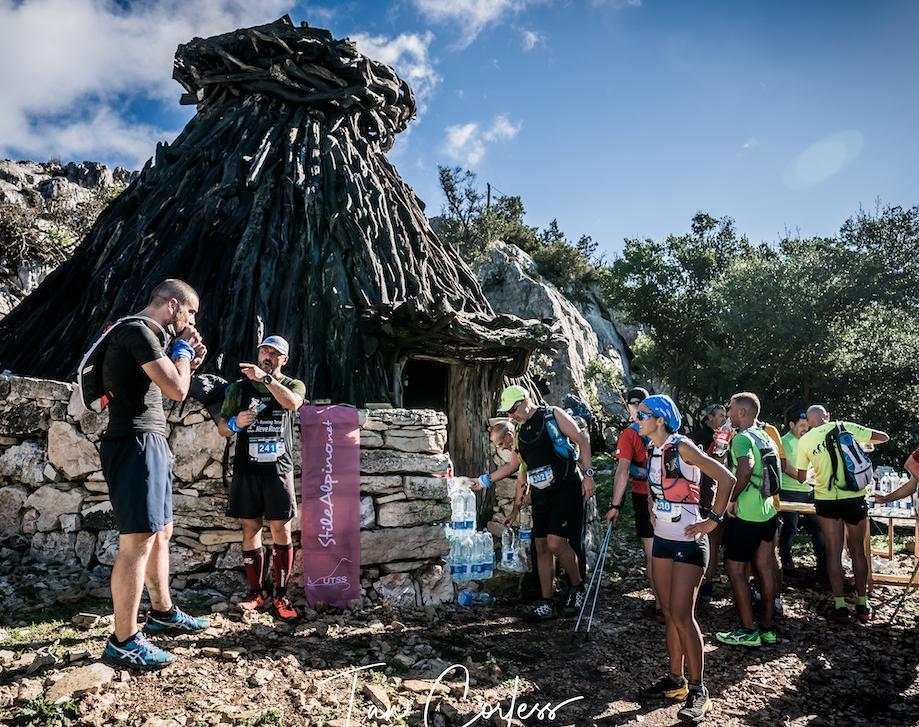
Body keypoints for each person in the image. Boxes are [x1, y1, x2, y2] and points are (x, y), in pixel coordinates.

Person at [100, 279, 209, 671]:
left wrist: (185, 357)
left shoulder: (151, 338)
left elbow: (170, 382)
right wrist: (182, 351)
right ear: (174, 305)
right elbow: (177, 389)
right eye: (191, 312)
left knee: (161, 531)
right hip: (133, 442)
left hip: (152, 440)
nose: (193, 319)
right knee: (138, 541)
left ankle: (162, 613)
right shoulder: (137, 332)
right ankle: (123, 641)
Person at [634, 394, 735, 724]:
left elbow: (727, 479)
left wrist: (713, 520)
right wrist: (652, 504)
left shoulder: (683, 446)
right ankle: (675, 681)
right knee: (667, 613)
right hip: (663, 541)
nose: (638, 418)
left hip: (690, 545)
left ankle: (698, 690)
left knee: (682, 613)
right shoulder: (653, 449)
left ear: (660, 419)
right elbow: (654, 486)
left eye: (643, 414)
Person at [475, 385, 595, 622]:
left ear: (524, 401)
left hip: (566, 487)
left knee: (555, 542)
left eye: (512, 410)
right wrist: (483, 481)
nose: (511, 415)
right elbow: (513, 466)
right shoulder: (520, 432)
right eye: (508, 412)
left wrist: (589, 475)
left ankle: (577, 588)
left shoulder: (552, 415)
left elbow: (581, 439)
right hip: (541, 495)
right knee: (540, 546)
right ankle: (547, 601)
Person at [218, 336, 306, 621]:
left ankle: (281, 594)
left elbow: (292, 404)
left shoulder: (292, 385)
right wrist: (234, 423)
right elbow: (222, 427)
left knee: (281, 529)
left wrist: (266, 379)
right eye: (264, 351)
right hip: (247, 468)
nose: (267, 356)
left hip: (278, 469)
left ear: (284, 359)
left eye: (274, 353)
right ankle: (256, 592)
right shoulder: (239, 388)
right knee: (250, 527)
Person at [794, 404, 889, 623]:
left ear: (808, 422)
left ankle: (840, 607)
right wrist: (862, 443)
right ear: (827, 416)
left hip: (826, 499)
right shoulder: (844, 426)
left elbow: (800, 478)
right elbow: (883, 437)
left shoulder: (805, 441)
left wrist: (814, 469)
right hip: (854, 497)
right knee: (857, 551)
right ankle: (863, 604)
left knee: (834, 552)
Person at [715, 393, 781, 647]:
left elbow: (745, 467)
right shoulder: (764, 435)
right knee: (765, 570)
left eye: (730, 408)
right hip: (767, 513)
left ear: (742, 412)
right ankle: (767, 627)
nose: (728, 413)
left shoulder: (742, 438)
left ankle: (747, 629)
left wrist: (731, 499)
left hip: (746, 515)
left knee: (735, 569)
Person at [607, 386, 661, 621]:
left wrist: (615, 505)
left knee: (653, 554)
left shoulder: (630, 434)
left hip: (643, 496)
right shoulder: (662, 426)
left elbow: (622, 471)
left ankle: (661, 605)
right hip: (670, 496)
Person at [777, 406, 826, 574]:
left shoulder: (811, 440)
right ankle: (786, 560)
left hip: (809, 491)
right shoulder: (783, 442)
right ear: (791, 425)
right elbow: (790, 471)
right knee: (790, 526)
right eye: (802, 426)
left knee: (818, 526)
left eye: (807, 425)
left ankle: (823, 562)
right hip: (788, 491)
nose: (806, 429)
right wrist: (813, 471)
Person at [693, 404, 727, 604]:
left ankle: (706, 583)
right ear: (709, 417)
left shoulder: (724, 438)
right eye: (721, 416)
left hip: (714, 495)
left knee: (712, 542)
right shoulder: (699, 438)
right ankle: (702, 583)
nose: (724, 419)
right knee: (707, 541)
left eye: (725, 415)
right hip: (704, 496)